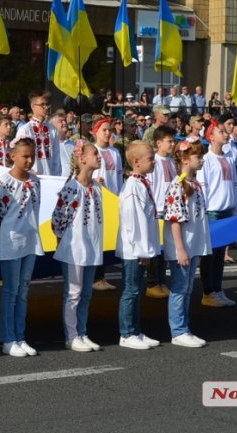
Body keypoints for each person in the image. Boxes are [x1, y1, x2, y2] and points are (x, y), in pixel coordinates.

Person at [0, 137, 43, 357]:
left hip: (30, 241)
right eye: (24, 156)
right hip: (10, 243)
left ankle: (20, 336)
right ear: (13, 156)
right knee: (11, 291)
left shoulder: (36, 181)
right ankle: (8, 338)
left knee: (24, 291)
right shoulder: (4, 184)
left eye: (32, 156)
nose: (29, 160)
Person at [51, 140, 104, 352]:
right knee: (73, 292)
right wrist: (67, 241)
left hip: (92, 246)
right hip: (75, 248)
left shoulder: (97, 187)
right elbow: (58, 221)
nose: (98, 157)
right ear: (82, 159)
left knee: (87, 293)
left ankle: (82, 332)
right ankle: (71, 336)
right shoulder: (72, 188)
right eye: (94, 154)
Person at [162, 139, 212, 347]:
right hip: (183, 247)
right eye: (198, 157)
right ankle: (178, 330)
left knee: (188, 288)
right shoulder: (177, 186)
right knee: (180, 288)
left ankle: (185, 327)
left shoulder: (194, 184)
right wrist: (180, 249)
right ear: (184, 159)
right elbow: (175, 220)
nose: (201, 160)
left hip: (193, 244)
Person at [117, 141, 162, 350]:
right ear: (136, 162)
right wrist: (142, 250)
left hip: (140, 248)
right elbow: (133, 222)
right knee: (131, 290)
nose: (153, 162)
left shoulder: (142, 183)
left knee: (137, 289)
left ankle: (136, 330)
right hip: (133, 250)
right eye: (150, 159)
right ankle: (127, 333)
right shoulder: (133, 187)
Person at [198, 121, 237, 308]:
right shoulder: (206, 160)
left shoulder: (229, 159)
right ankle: (208, 291)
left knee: (220, 254)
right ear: (211, 137)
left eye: (225, 131)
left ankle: (218, 289)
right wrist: (203, 212)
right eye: (221, 132)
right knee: (210, 255)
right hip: (212, 212)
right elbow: (203, 188)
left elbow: (234, 186)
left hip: (227, 211)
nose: (226, 134)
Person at [145, 125, 178, 299]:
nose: (172, 144)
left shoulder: (171, 162)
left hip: (169, 211)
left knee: (165, 250)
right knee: (156, 250)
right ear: (159, 143)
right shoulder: (154, 161)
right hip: (157, 210)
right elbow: (151, 186)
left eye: (173, 141)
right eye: (169, 141)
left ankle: (161, 281)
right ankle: (152, 283)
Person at [91, 117, 122, 291]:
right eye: (104, 130)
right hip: (97, 200)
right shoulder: (92, 150)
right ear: (96, 132)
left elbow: (118, 177)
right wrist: (95, 181)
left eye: (109, 129)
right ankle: (96, 276)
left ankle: (101, 276)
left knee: (107, 239)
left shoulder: (115, 152)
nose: (108, 133)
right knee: (97, 238)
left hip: (112, 199)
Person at [15, 90, 61, 175]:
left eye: (47, 104)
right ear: (33, 106)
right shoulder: (25, 130)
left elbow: (57, 156)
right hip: (31, 178)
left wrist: (57, 177)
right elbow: (19, 156)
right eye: (42, 104)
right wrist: (29, 173)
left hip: (50, 178)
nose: (46, 107)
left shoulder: (53, 129)